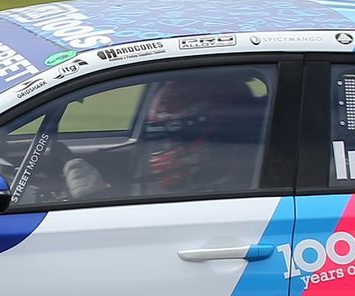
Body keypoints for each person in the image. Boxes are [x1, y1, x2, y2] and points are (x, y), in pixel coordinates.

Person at [63, 73, 266, 200]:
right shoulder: (213, 180)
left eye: (174, 140)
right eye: (161, 140)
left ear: (218, 138)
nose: (161, 152)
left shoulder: (239, 196)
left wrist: (99, 198)